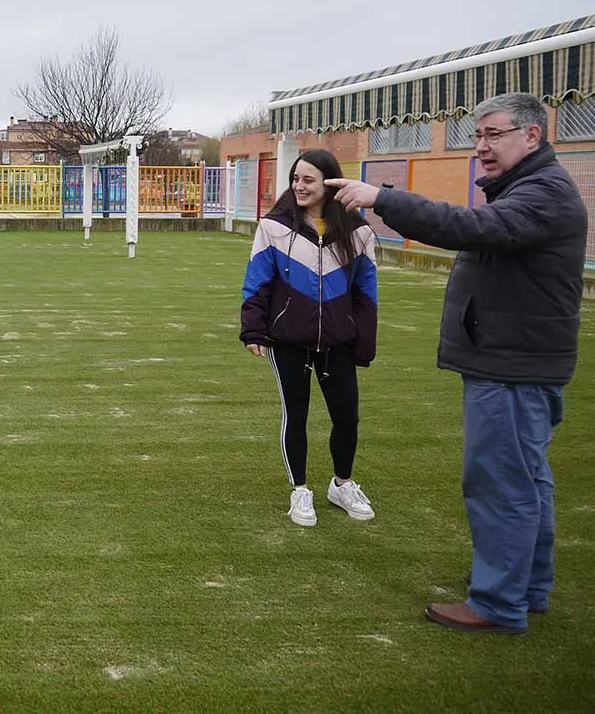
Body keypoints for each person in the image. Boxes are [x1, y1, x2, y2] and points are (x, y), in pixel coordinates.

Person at [327, 92, 587, 636]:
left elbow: (468, 228)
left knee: (502, 484)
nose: (482, 146)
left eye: (494, 134)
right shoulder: (532, 188)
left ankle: (497, 602)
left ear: (532, 136)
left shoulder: (543, 193)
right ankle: (527, 589)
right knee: (527, 481)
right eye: (478, 135)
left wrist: (383, 198)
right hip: (515, 361)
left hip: (513, 368)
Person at [240, 149, 379, 527]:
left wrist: (363, 339)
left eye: (308, 180)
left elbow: (366, 291)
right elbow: (256, 283)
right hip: (287, 339)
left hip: (338, 341)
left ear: (329, 184)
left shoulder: (358, 231)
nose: (299, 187)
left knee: (347, 416)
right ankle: (300, 490)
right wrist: (252, 328)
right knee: (296, 414)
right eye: (295, 179)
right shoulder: (273, 227)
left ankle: (342, 484)